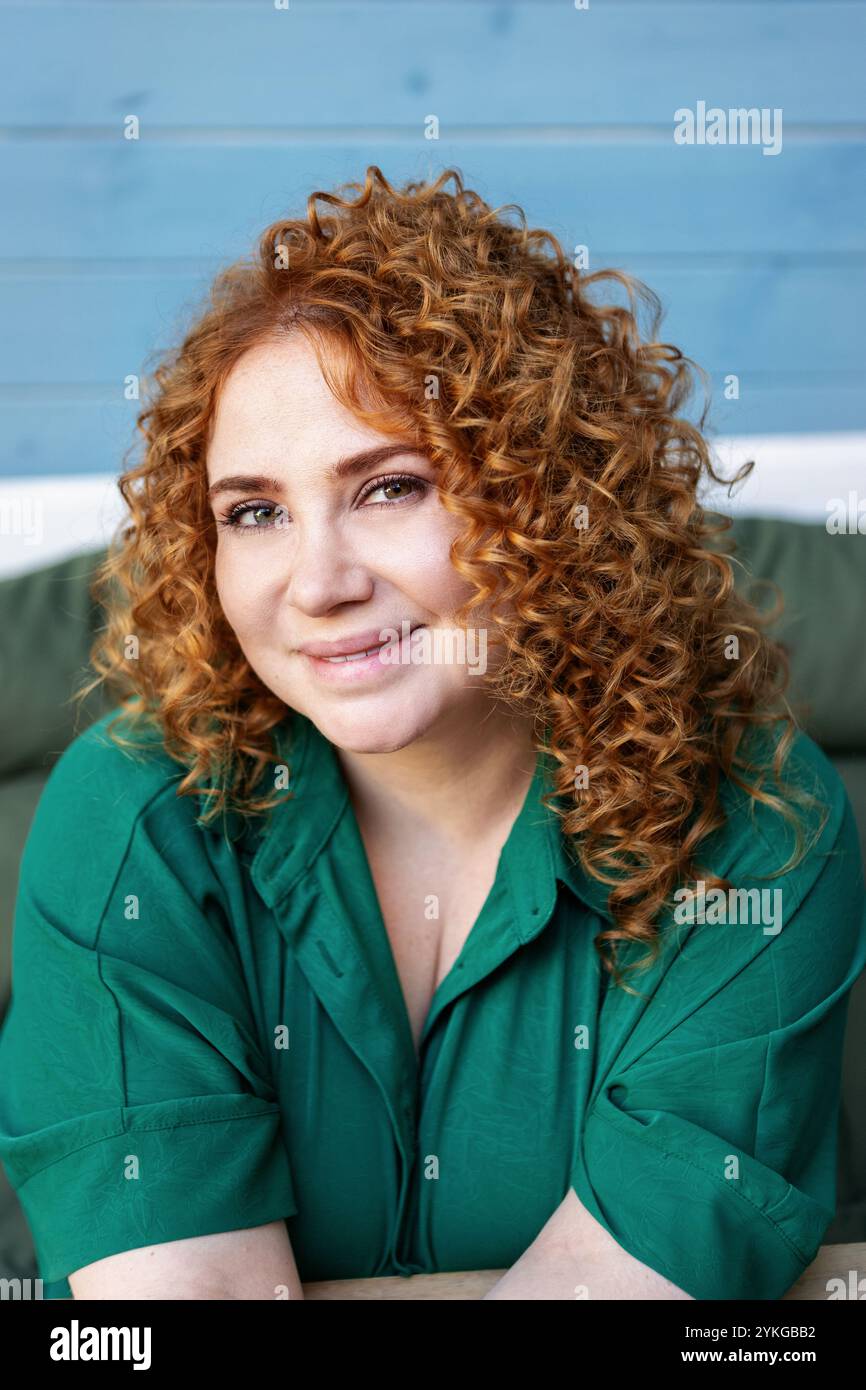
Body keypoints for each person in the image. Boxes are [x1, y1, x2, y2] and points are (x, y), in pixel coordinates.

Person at [0, 166, 864, 1301]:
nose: (316, 583)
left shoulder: (752, 817)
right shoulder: (131, 821)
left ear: (549, 497)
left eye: (390, 487)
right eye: (254, 512)